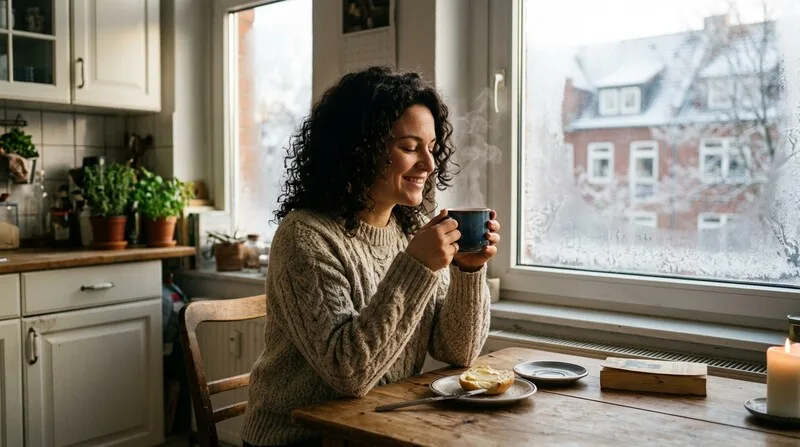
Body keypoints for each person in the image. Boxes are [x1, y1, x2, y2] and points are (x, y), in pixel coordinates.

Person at [241, 66, 501, 447]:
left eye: (432, 148)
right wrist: (416, 268)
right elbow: (348, 372)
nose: (429, 165)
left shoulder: (409, 230)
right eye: (410, 148)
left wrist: (467, 271)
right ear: (359, 149)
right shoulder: (306, 236)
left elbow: (456, 351)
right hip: (301, 437)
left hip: (378, 429)